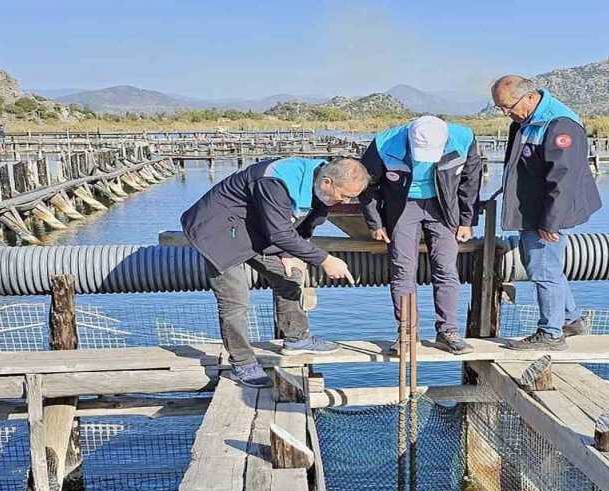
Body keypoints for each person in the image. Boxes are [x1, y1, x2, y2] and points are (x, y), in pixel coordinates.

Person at [181, 157, 370, 388]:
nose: (346, 201)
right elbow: (279, 234)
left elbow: (304, 223)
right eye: (344, 195)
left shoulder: (319, 184)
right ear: (327, 182)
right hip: (219, 232)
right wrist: (324, 259)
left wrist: (291, 253)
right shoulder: (274, 181)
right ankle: (242, 362)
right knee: (235, 301)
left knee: (290, 276)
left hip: (257, 229)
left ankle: (296, 338)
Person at [490, 75, 602, 351]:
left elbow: (564, 179)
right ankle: (570, 318)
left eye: (508, 106)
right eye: (500, 108)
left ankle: (551, 333)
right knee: (544, 266)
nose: (506, 114)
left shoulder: (560, 125)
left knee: (542, 270)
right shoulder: (525, 121)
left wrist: (551, 222)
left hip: (549, 211)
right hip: (533, 207)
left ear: (529, 97)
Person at [359, 115, 483, 354]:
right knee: (402, 269)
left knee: (446, 269)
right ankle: (407, 333)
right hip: (402, 206)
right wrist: (375, 222)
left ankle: (447, 331)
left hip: (443, 206)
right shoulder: (385, 142)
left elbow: (470, 182)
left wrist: (467, 220)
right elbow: (368, 184)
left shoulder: (464, 138)